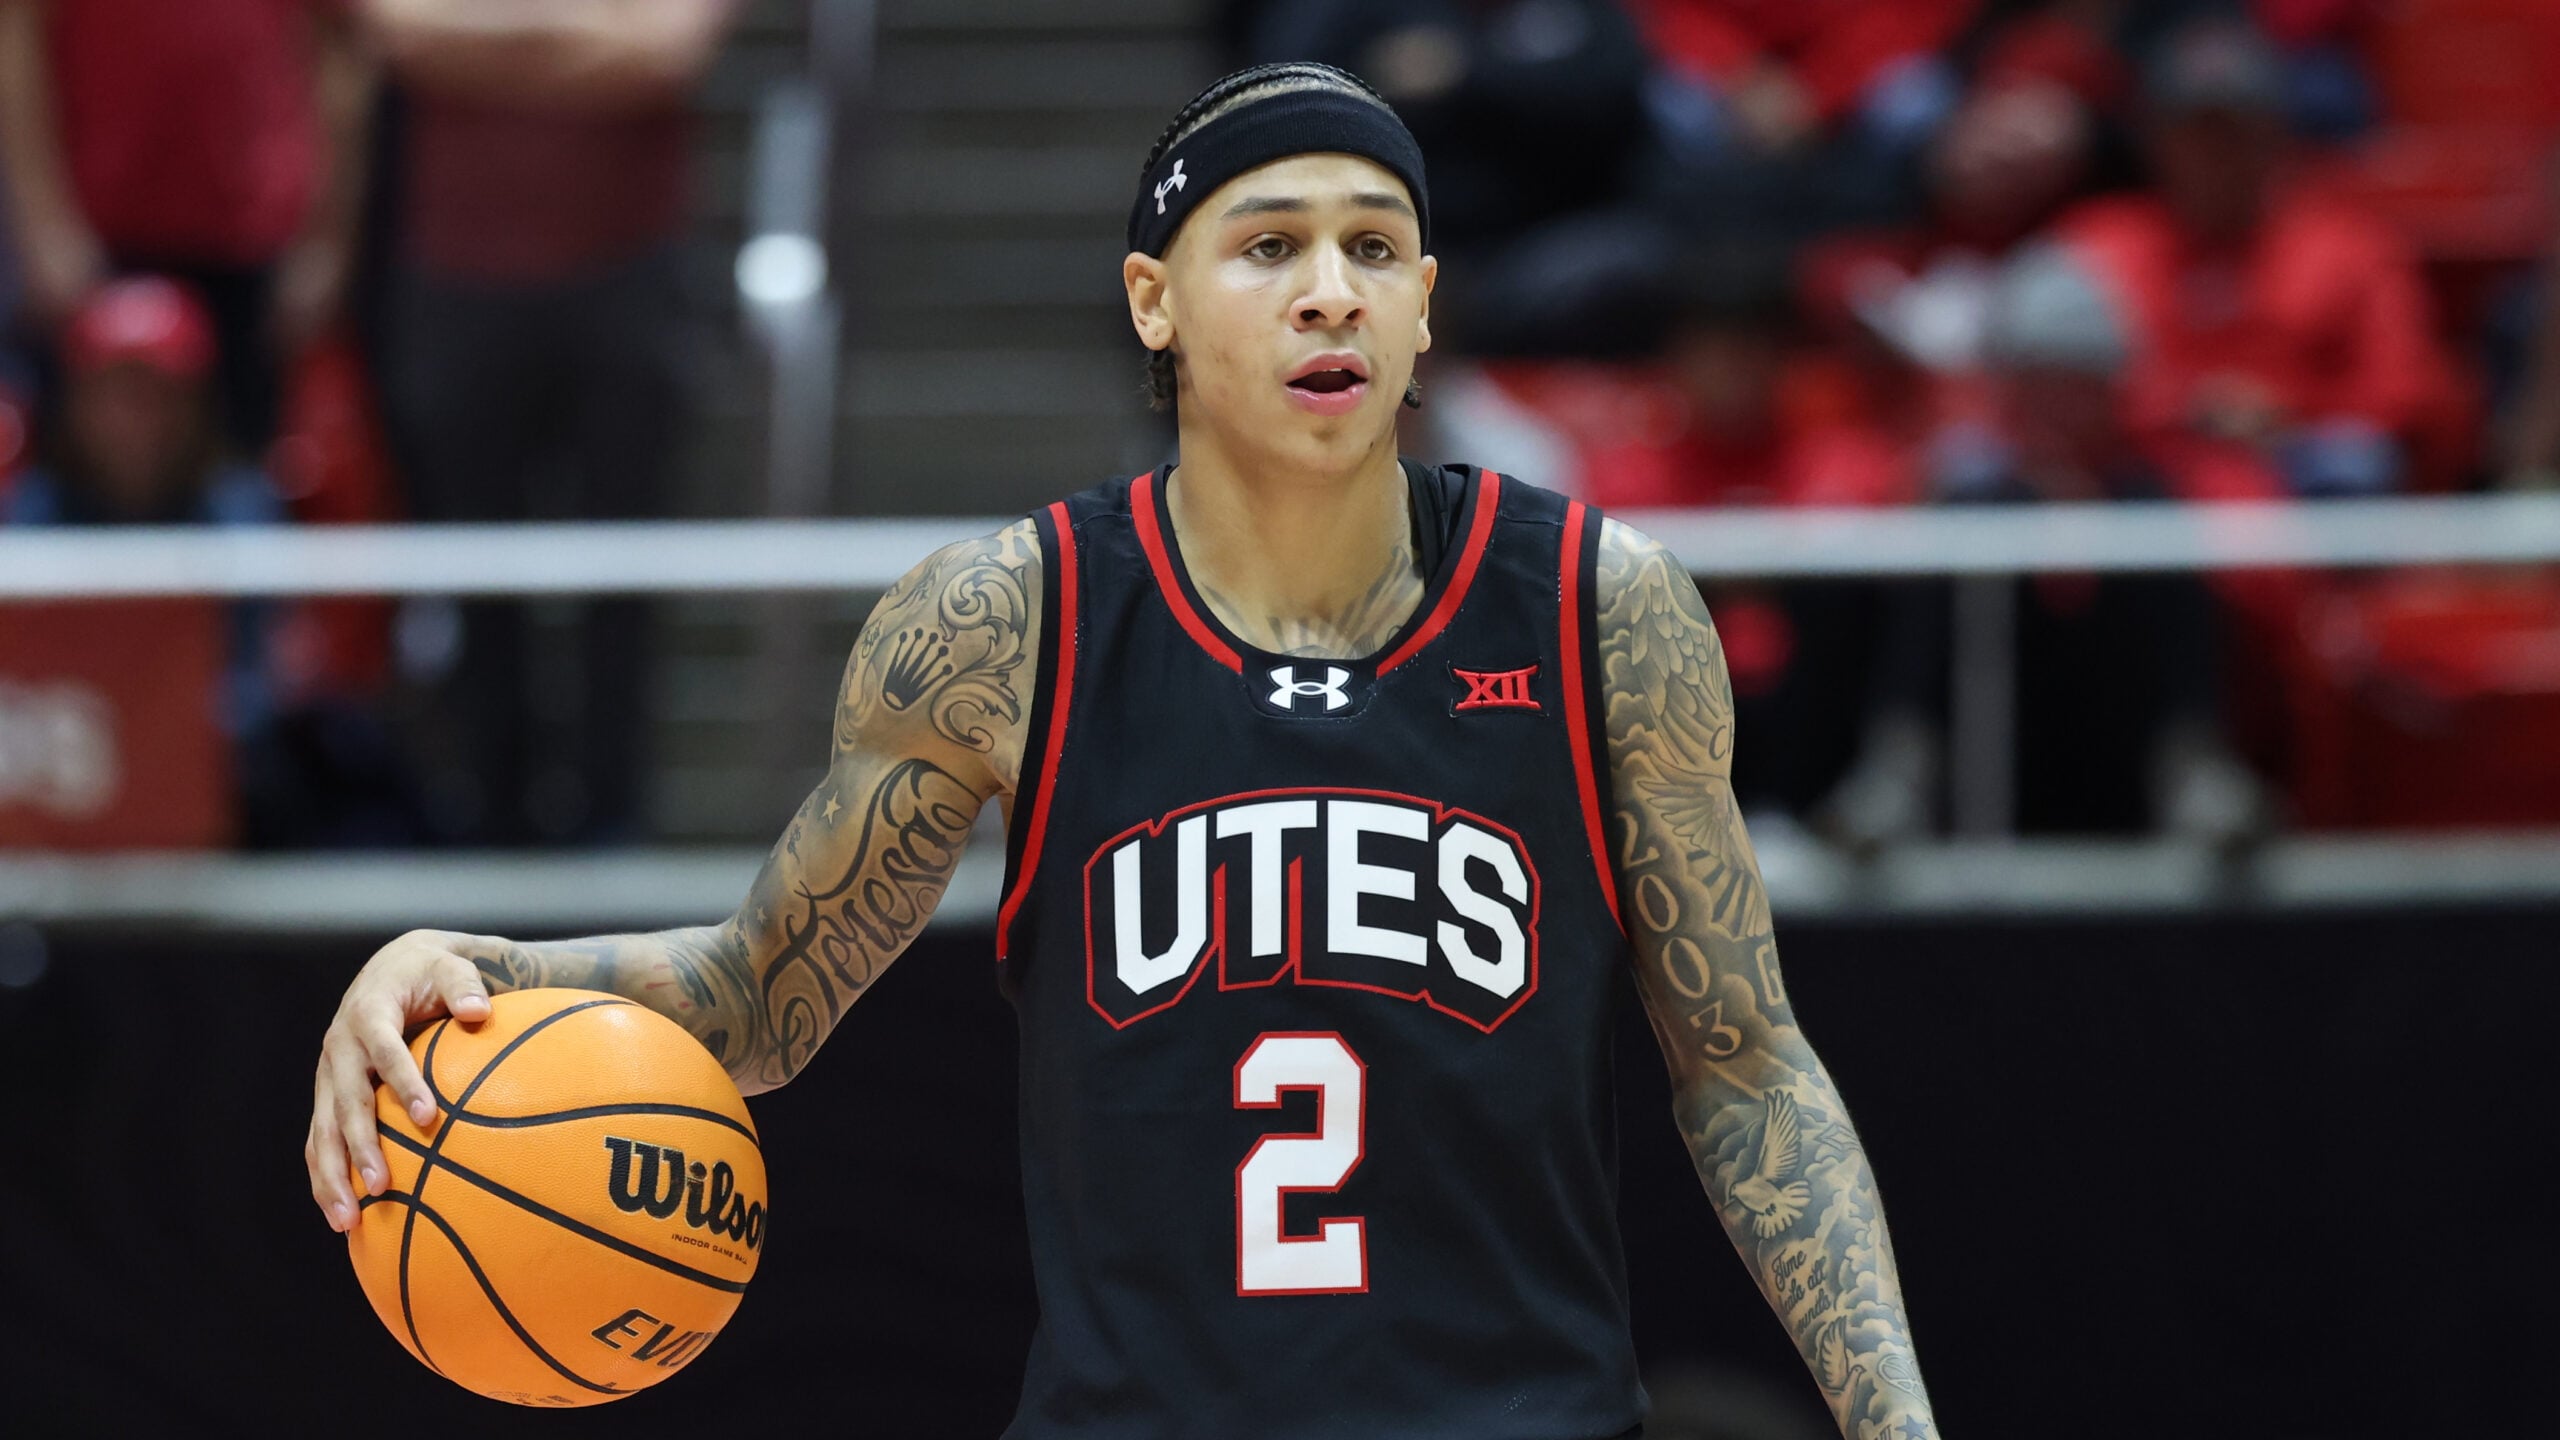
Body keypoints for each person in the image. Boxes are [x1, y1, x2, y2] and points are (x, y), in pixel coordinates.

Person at [305, 63, 1940, 1439]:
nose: (1329, 288)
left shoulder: (1600, 607)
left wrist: (1896, 1424)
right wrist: (475, 968)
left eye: (1378, 246)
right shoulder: (1008, 623)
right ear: (1152, 300)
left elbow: (1743, 1062)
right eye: (1269, 244)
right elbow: (760, 1000)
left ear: (1427, 304)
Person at [358, 0, 740, 845]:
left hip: (629, 272)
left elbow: (668, 50)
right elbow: (395, 31)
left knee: (628, 571)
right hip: (455, 273)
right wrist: (582, 34)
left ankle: (615, 819)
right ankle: (489, 816)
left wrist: (487, 40)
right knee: (473, 567)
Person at [0, 0, 374, 456]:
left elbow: (342, 52)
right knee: (82, 482)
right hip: (98, 231)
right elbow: (16, 41)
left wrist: (326, 242)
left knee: (244, 478)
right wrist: (44, 225)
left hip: (254, 233)